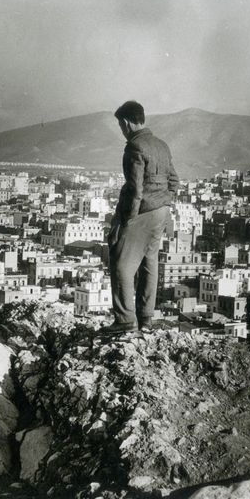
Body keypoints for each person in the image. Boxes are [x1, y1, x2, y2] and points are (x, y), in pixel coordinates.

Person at [102, 100, 180, 335]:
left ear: (126, 122)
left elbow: (135, 190)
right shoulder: (162, 145)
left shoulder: (134, 147)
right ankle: (146, 319)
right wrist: (164, 202)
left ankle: (125, 321)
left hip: (141, 212)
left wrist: (127, 220)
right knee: (149, 264)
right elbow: (174, 181)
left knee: (120, 265)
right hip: (161, 212)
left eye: (120, 125)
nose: (121, 130)